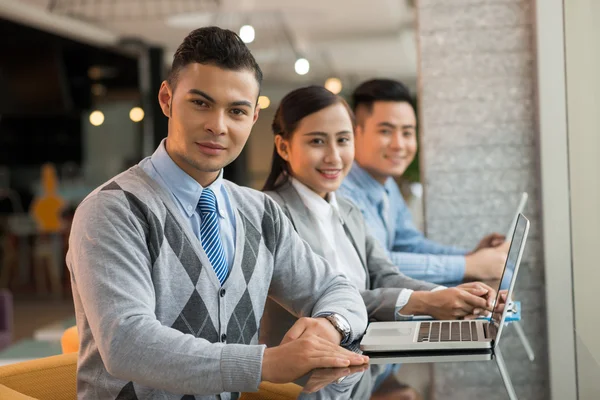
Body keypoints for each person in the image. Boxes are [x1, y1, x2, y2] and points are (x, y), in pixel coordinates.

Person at [66, 27, 368, 400]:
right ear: (166, 99)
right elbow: (127, 340)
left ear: (254, 118)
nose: (218, 125)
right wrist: (265, 364)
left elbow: (335, 288)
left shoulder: (259, 213)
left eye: (237, 111)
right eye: (201, 103)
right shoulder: (113, 209)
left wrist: (330, 325)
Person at [259, 86, 497, 399]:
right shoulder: (271, 214)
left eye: (343, 140)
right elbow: (331, 301)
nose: (334, 156)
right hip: (301, 387)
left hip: (356, 373)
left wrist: (447, 295)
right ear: (284, 146)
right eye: (317, 141)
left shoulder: (347, 209)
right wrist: (426, 302)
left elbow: (385, 274)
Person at [338, 79, 511, 287]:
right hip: (370, 305)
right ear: (355, 133)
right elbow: (374, 264)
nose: (399, 144)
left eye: (407, 132)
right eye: (385, 131)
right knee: (493, 284)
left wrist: (474, 256)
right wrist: (468, 264)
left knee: (498, 277)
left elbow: (411, 245)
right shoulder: (341, 191)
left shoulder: (387, 186)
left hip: (391, 294)